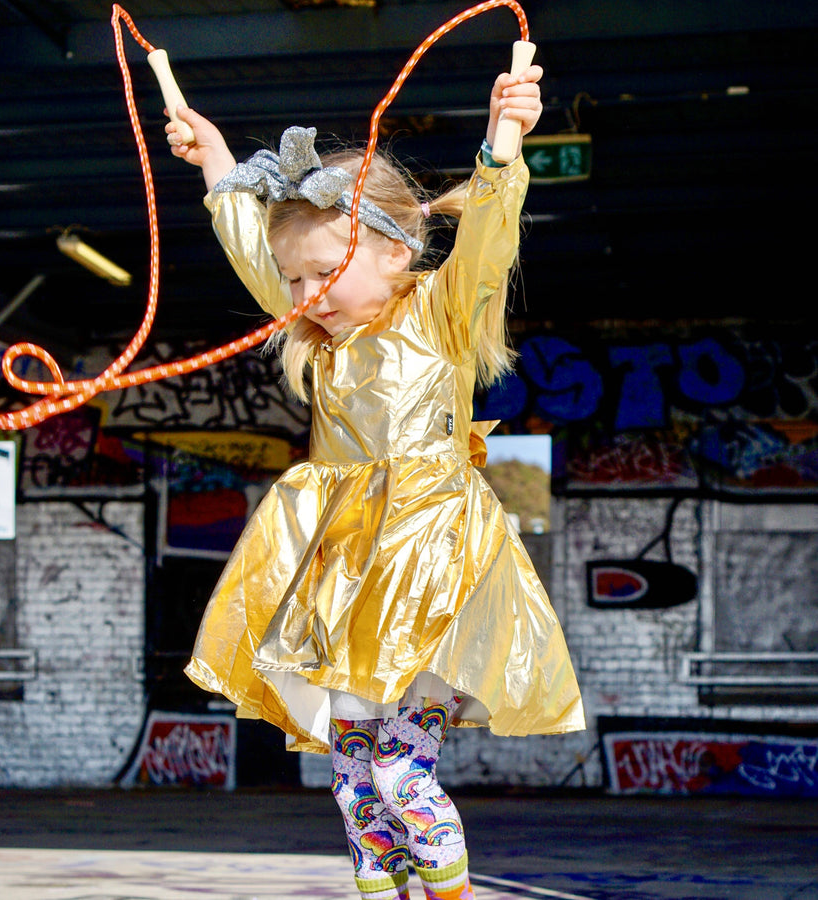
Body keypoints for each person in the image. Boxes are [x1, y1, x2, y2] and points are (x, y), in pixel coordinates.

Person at [166, 59, 584, 900]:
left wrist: (503, 145)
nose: (305, 295)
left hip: (428, 560)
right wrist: (215, 160)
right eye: (293, 280)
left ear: (395, 250)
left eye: (325, 271)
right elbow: (251, 244)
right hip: (344, 573)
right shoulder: (319, 337)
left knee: (399, 775)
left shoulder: (439, 311)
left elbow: (490, 237)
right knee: (353, 786)